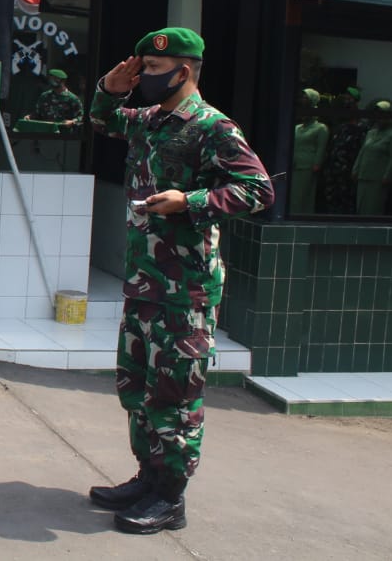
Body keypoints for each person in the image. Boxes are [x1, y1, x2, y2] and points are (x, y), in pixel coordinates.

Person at [87, 27, 273, 535]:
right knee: (138, 387)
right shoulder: (150, 119)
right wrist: (110, 87)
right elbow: (102, 121)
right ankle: (147, 477)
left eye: (151, 69)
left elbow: (258, 189)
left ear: (182, 71)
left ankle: (170, 498)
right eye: (143, 67)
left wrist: (189, 202)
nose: (145, 76)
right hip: (144, 282)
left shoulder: (213, 127)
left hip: (185, 288)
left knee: (175, 394)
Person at [353, 100, 392, 215]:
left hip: (378, 177)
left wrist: (387, 175)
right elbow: (362, 151)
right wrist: (355, 169)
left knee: (373, 207)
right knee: (360, 206)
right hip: (364, 174)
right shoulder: (371, 133)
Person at [322, 87, 366, 214]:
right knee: (331, 199)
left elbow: (361, 150)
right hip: (333, 169)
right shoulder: (341, 126)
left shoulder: (361, 127)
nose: (346, 102)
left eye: (349, 99)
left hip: (348, 170)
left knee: (346, 200)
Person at [290, 88, 329, 214]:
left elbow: (321, 147)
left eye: (305, 98)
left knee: (303, 196)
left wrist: (316, 164)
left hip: (307, 166)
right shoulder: (297, 128)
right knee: (293, 196)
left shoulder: (321, 128)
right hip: (293, 166)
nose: (302, 100)